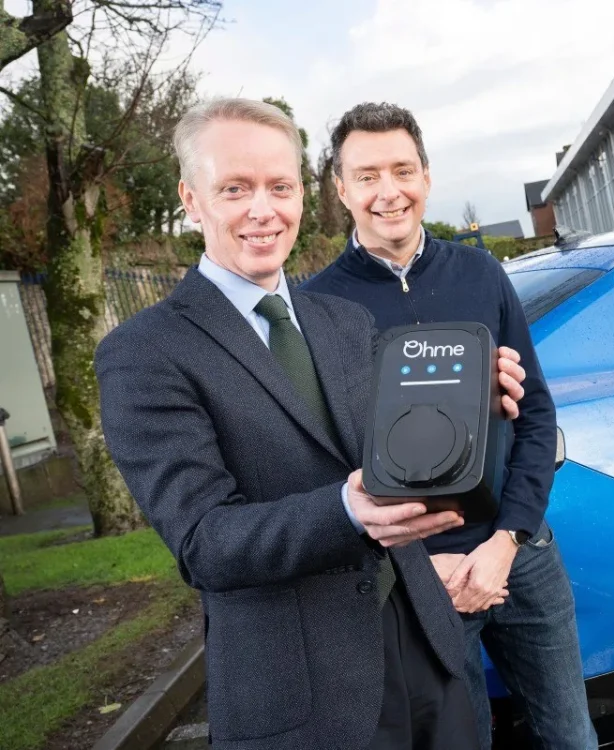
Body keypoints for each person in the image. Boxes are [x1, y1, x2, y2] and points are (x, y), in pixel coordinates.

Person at [94, 97, 529, 750]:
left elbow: (386, 457)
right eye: (235, 188)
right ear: (191, 199)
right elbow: (205, 541)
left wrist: (469, 411)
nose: (263, 210)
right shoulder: (144, 351)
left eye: (280, 186)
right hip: (307, 699)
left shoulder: (342, 321)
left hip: (430, 655)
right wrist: (347, 512)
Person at [302, 102, 597, 750]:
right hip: (416, 577)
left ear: (427, 178)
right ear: (341, 189)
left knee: (571, 738)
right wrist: (416, 565)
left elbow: (537, 414)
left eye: (402, 169)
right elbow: (327, 457)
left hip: (521, 553)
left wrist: (507, 541)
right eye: (368, 174)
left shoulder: (481, 274)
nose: (389, 191)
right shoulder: (315, 307)